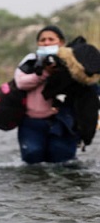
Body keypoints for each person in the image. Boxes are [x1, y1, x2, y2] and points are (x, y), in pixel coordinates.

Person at [14, 25, 100, 163]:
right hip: (32, 122)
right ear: (37, 43)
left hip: (64, 122)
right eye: (42, 40)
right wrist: (45, 73)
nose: (46, 42)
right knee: (32, 157)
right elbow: (21, 83)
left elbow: (89, 85)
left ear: (61, 42)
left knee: (62, 160)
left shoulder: (73, 62)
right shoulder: (30, 61)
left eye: (51, 39)